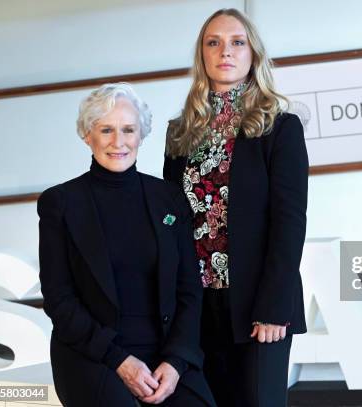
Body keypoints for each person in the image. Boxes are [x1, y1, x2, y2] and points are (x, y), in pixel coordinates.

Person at [163, 8, 308, 407]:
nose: (225, 51)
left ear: (253, 54)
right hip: (198, 303)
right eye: (214, 42)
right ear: (203, 55)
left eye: (237, 42)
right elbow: (170, 221)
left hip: (259, 305)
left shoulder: (280, 126)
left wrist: (275, 305)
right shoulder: (180, 132)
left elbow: (290, 221)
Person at [38, 83, 215, 407]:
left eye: (128, 130)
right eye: (106, 129)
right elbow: (59, 300)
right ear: (86, 134)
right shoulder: (61, 203)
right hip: (94, 354)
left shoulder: (169, 199)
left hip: (165, 354)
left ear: (141, 135)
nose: (118, 142)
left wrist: (176, 361)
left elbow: (189, 290)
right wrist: (119, 359)